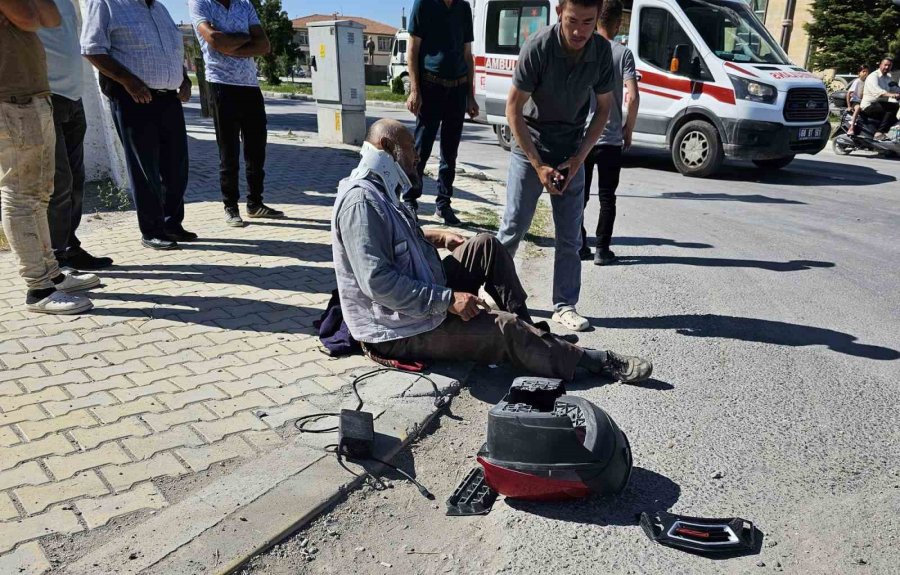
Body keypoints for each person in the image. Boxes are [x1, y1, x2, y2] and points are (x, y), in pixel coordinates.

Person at [333, 119, 652, 383]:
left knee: (486, 245)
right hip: (397, 329)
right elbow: (379, 283)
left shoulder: (379, 190)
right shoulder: (361, 202)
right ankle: (592, 361)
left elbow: (393, 239)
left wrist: (437, 236)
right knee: (504, 328)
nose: (417, 156)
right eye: (411, 149)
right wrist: (448, 300)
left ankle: (536, 338)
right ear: (388, 147)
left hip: (417, 299)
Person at [496, 0, 613, 333]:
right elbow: (512, 109)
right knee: (514, 226)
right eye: (572, 20)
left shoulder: (602, 52)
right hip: (530, 146)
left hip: (571, 150)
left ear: (598, 17)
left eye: (588, 22)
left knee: (570, 236)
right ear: (560, 11)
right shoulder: (538, 47)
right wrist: (537, 165)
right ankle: (492, 292)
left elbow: (604, 109)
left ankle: (564, 305)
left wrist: (579, 158)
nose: (579, 31)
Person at [1, 0, 98, 314]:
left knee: (41, 193)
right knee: (20, 194)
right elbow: (31, 19)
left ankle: (52, 275)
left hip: (33, 95)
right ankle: (38, 289)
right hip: (11, 100)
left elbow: (52, 18)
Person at [81, 0, 196, 250]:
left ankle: (171, 223)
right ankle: (152, 230)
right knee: (145, 169)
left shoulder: (160, 9)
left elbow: (171, 50)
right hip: (133, 98)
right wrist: (128, 81)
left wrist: (184, 79)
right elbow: (92, 49)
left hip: (169, 99)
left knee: (176, 166)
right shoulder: (106, 3)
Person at [189, 0, 284, 228]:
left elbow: (264, 45)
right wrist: (245, 37)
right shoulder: (200, 3)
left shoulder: (244, 4)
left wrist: (230, 44)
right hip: (221, 84)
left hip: (250, 85)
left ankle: (255, 203)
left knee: (256, 149)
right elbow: (215, 40)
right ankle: (230, 207)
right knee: (228, 150)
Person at [37, 0, 113, 270]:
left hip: (73, 97)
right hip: (44, 96)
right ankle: (54, 258)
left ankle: (69, 246)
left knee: (76, 181)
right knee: (58, 183)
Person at [403, 0, 480, 225]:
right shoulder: (423, 4)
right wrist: (415, 91)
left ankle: (443, 204)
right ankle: (410, 200)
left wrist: (470, 96)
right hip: (430, 87)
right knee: (421, 149)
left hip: (457, 89)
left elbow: (467, 54)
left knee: (450, 152)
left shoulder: (463, 8)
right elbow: (412, 50)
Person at [579, 0, 638, 266]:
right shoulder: (623, 54)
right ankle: (602, 250)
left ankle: (579, 244)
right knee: (607, 197)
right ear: (617, 22)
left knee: (579, 196)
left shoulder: (584, 47)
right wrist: (628, 128)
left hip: (582, 137)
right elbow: (633, 97)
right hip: (610, 138)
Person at [861, 57, 900, 140]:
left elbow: (895, 88)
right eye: (885, 65)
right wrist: (892, 95)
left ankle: (889, 135)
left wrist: (897, 92)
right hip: (868, 106)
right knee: (893, 107)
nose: (887, 67)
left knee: (895, 114)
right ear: (880, 65)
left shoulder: (888, 78)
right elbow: (877, 91)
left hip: (880, 104)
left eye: (889, 65)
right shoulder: (873, 76)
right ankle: (879, 133)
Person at [845, 65, 868, 136]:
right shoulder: (857, 81)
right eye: (863, 71)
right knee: (858, 108)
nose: (865, 73)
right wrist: (849, 106)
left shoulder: (867, 82)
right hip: (855, 101)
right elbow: (849, 93)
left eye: (867, 72)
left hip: (863, 101)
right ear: (859, 73)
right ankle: (851, 127)